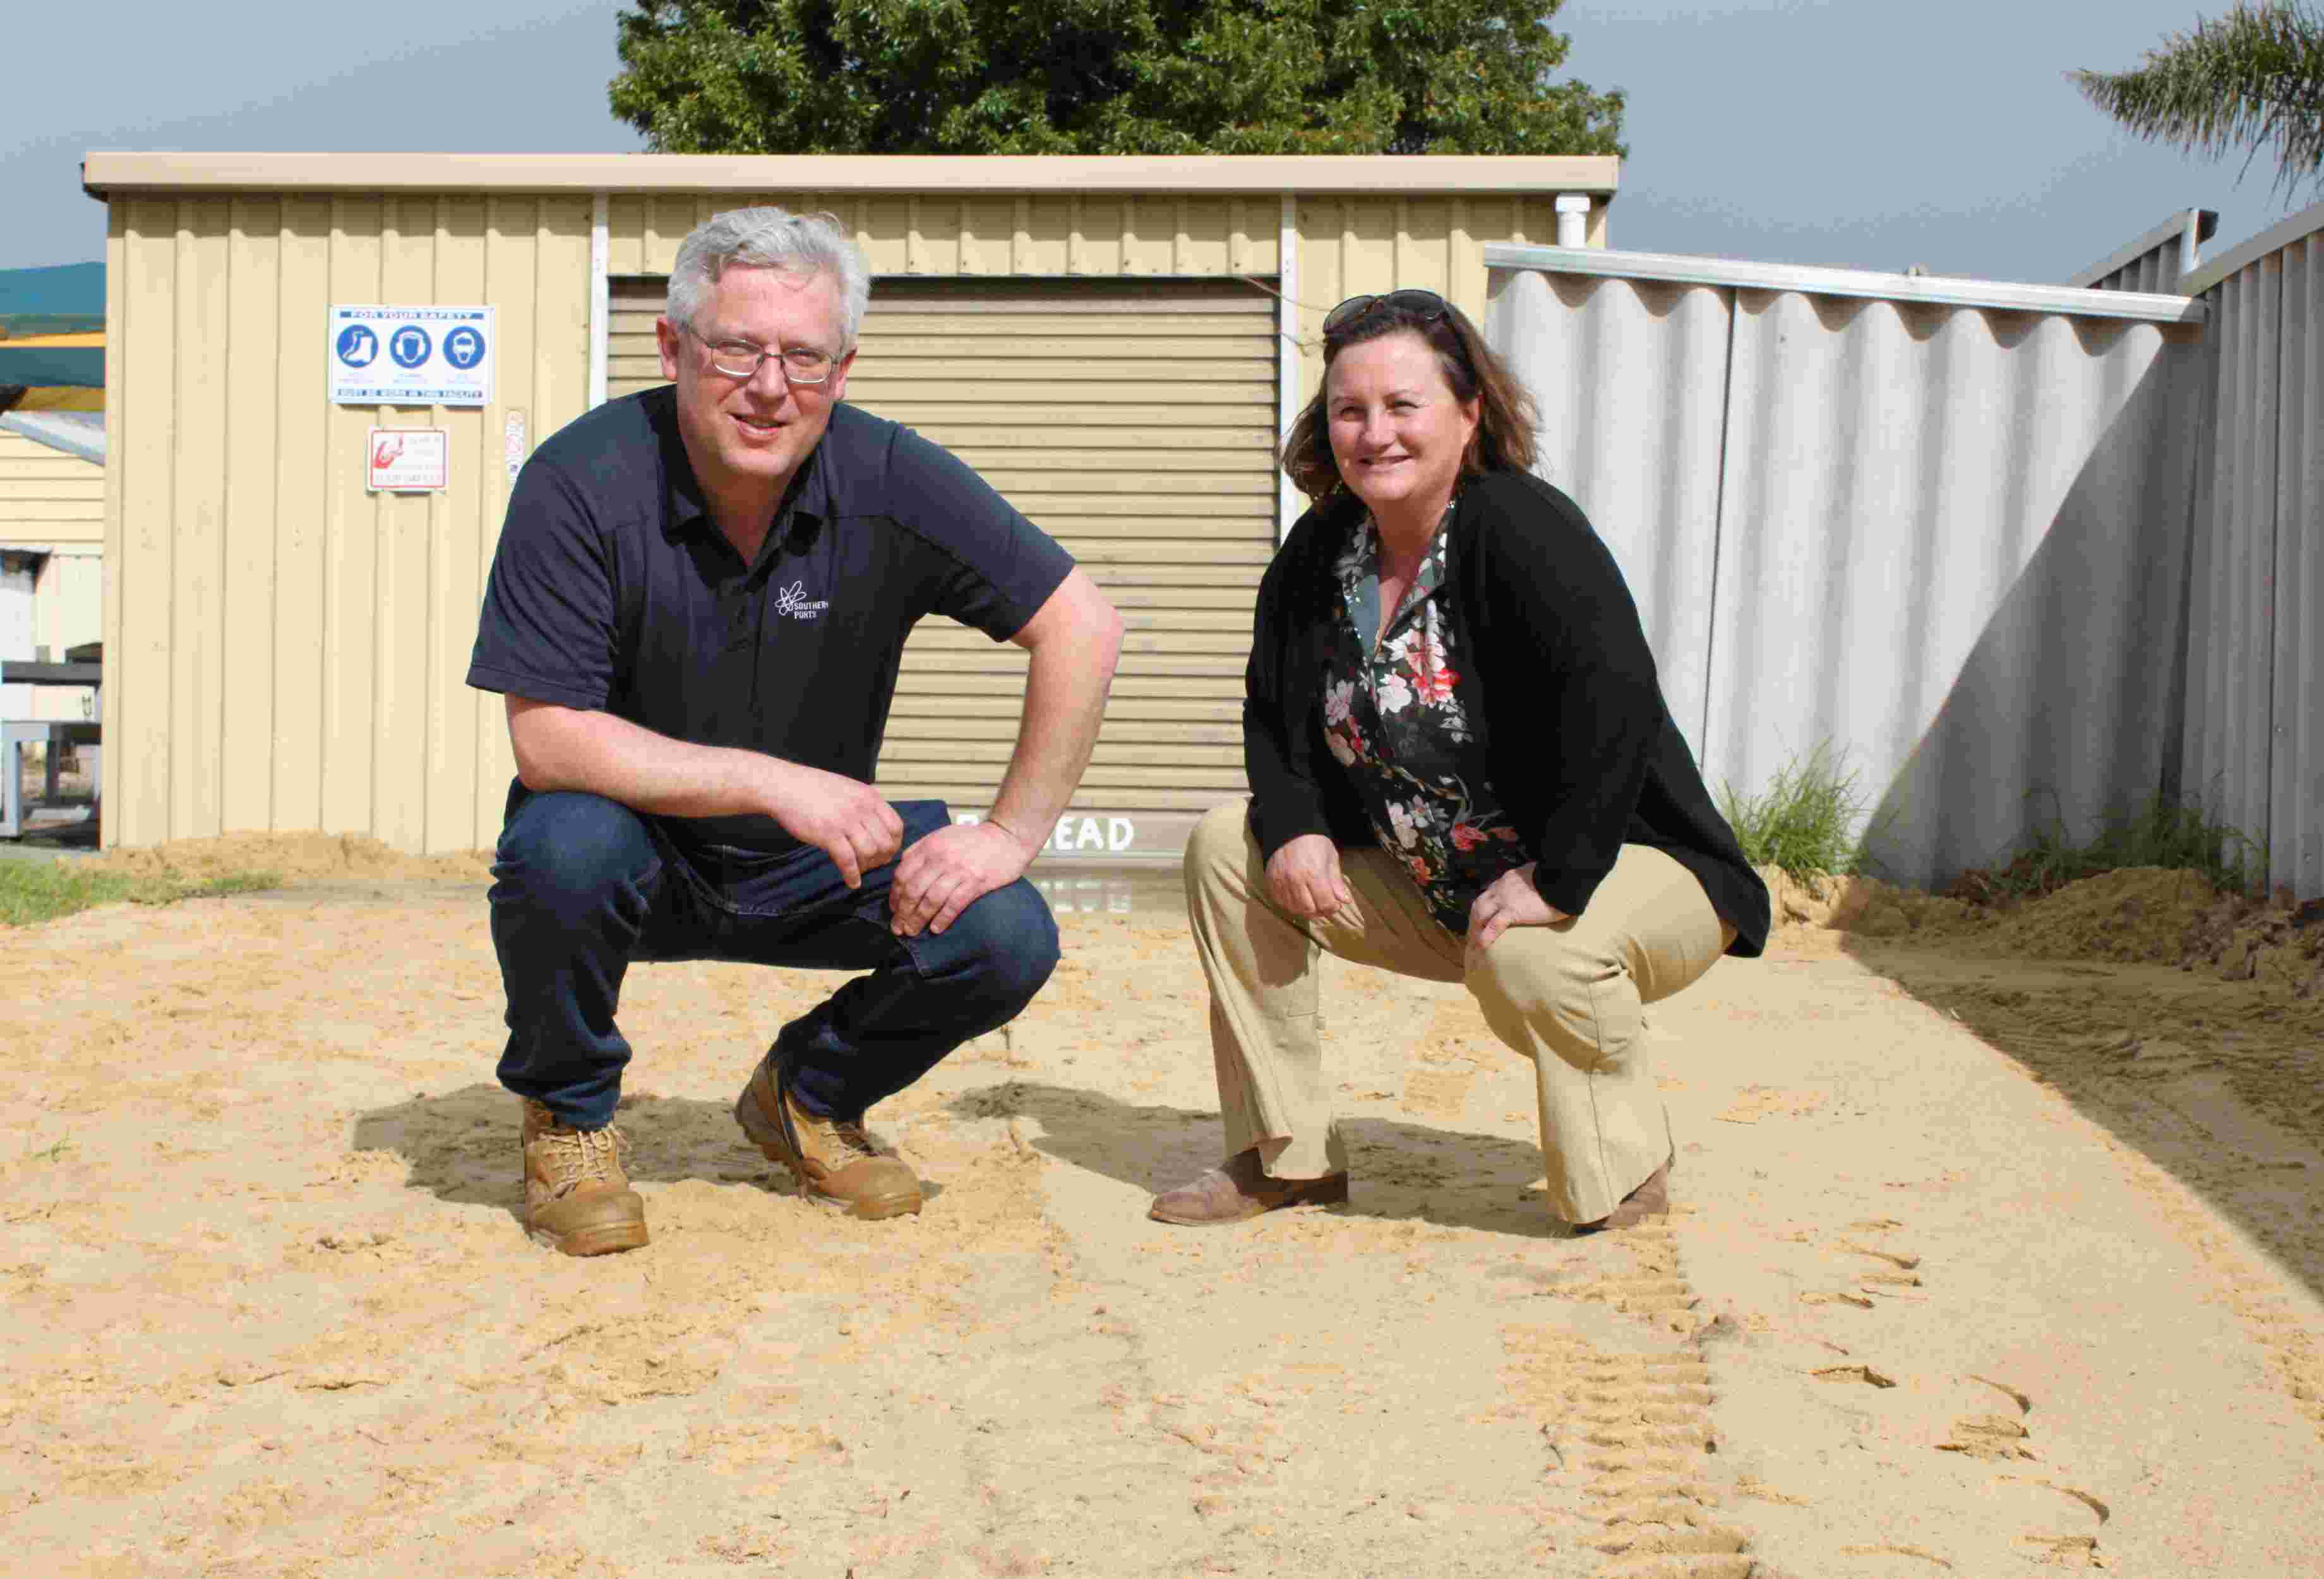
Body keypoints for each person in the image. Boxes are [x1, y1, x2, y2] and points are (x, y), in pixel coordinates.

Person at [467, 208, 1123, 1256]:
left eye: (804, 357)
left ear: (843, 368)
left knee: (1006, 930)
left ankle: (808, 1095)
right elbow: (545, 739)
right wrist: (775, 780)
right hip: (648, 853)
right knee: (562, 843)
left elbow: (1082, 625)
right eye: (736, 347)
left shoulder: (888, 477)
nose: (770, 386)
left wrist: (1008, 833)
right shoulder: (577, 481)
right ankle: (572, 1120)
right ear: (673, 347)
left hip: (816, 862)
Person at [1148, 289, 1768, 1234]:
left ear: (1469, 411)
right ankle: (1289, 1154)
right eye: (1350, 410)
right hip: (1450, 890)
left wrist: (1558, 877)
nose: (1375, 433)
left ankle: (1625, 1161)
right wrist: (1299, 822)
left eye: (1404, 406)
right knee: (1228, 846)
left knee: (1536, 954)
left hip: (1632, 869)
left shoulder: (1523, 529)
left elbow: (1618, 707)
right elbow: (1272, 714)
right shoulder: (1319, 553)